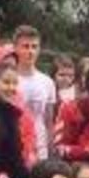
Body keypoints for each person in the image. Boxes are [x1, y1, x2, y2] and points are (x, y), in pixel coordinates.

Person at [12, 25, 57, 160]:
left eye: (34, 47)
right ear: (15, 48)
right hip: (14, 145)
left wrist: (50, 149)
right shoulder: (8, 80)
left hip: (40, 148)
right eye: (25, 46)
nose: (30, 51)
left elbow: (48, 121)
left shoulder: (47, 82)